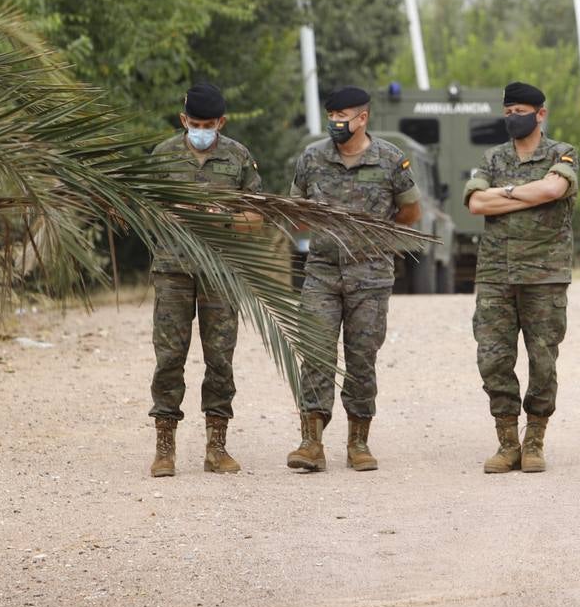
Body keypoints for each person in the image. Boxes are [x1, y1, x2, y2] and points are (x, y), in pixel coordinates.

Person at [285, 86, 421, 472]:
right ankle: (311, 442)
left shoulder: (391, 160)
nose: (336, 123)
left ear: (363, 118)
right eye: (331, 116)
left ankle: (358, 442)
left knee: (362, 359)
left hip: (371, 276)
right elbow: (295, 210)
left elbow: (411, 211)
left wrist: (378, 235)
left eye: (343, 116)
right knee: (315, 354)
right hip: (322, 273)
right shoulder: (311, 158)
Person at [463, 82, 578, 474]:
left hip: (545, 276)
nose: (514, 118)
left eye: (521, 111)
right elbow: (477, 202)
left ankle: (535, 442)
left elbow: (553, 188)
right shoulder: (492, 157)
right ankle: (507, 442)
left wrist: (505, 192)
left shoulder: (561, 153)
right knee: (493, 358)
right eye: (508, 111)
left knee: (543, 361)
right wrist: (525, 192)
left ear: (540, 114)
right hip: (496, 274)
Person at [148, 82, 262, 478]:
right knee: (169, 358)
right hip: (173, 271)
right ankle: (165, 446)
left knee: (220, 359)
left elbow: (257, 218)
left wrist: (224, 217)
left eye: (208, 124)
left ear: (221, 123)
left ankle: (217, 446)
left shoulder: (238, 158)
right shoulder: (162, 157)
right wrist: (172, 214)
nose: (201, 130)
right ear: (183, 120)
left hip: (220, 273)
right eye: (194, 123)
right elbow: (141, 214)